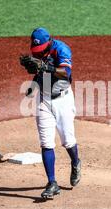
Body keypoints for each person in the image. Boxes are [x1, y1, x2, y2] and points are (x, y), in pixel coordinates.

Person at [20, 27, 81, 199]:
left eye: (41, 50)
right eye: (35, 51)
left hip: (63, 100)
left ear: (49, 42)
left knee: (68, 141)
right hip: (44, 100)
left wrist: (46, 66)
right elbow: (39, 73)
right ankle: (52, 183)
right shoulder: (38, 54)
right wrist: (33, 86)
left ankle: (75, 162)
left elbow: (65, 72)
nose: (38, 54)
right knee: (46, 142)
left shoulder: (61, 49)